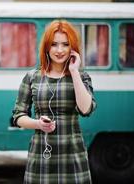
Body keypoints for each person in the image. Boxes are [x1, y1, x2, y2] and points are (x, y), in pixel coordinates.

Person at [12, 20, 96, 184]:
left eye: (65, 44)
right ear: (46, 47)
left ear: (72, 47)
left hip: (72, 153)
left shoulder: (81, 76)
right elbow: (18, 116)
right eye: (54, 44)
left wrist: (74, 71)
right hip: (42, 153)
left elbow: (86, 110)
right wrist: (38, 124)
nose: (59, 50)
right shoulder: (32, 77)